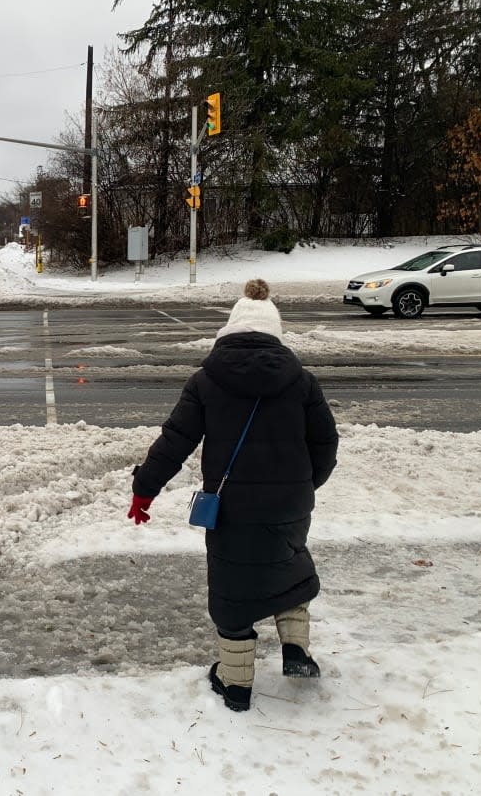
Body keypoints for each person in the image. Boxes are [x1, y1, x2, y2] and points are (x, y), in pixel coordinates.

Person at [128, 279, 338, 712]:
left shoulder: (206, 381)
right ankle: (296, 649)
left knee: (233, 588)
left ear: (229, 330)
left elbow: (175, 440)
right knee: (289, 568)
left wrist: (144, 490)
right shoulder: (302, 381)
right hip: (291, 503)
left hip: (233, 508)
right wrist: (304, 486)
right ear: (274, 331)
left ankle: (236, 683)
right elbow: (326, 444)